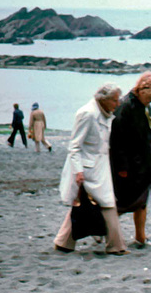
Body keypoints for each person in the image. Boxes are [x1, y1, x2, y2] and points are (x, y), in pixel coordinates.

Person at [54, 83, 129, 255]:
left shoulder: (104, 114)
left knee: (86, 204)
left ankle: (63, 242)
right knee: (107, 204)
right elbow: (74, 146)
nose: (117, 105)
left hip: (99, 167)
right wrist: (78, 171)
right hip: (88, 170)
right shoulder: (87, 114)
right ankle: (116, 246)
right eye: (114, 101)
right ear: (104, 99)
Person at [110, 71, 151, 248]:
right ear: (143, 91)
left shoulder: (144, 107)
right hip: (130, 164)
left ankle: (140, 237)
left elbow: (144, 132)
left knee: (142, 201)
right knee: (122, 202)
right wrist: (122, 166)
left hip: (144, 163)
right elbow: (117, 139)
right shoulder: (125, 107)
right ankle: (105, 233)